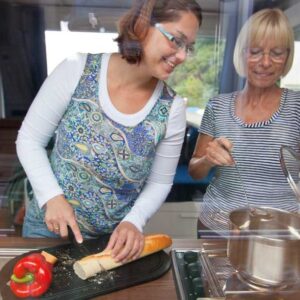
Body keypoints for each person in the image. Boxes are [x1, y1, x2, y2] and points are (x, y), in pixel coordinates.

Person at [16, 0, 202, 262]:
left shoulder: (171, 109)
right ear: (142, 26)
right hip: (46, 230)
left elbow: (160, 182)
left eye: (188, 47)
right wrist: (51, 197)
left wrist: (134, 222)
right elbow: (29, 140)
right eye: (176, 40)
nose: (182, 55)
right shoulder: (77, 70)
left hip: (112, 245)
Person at [188, 8, 300, 236]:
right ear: (241, 53)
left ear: (287, 57)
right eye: (256, 51)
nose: (265, 62)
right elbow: (195, 171)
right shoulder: (217, 106)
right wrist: (208, 159)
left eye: (277, 53)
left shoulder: (297, 106)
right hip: (216, 227)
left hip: (279, 235)